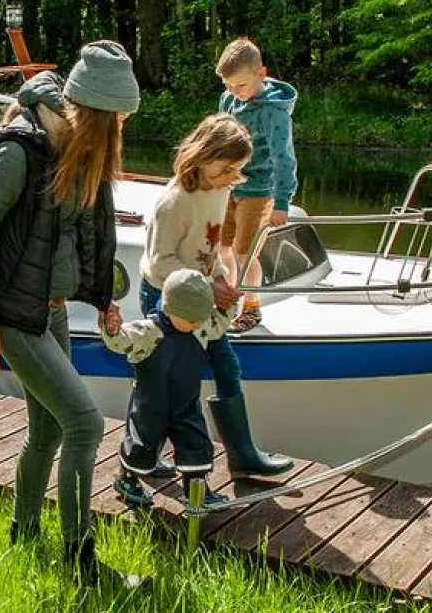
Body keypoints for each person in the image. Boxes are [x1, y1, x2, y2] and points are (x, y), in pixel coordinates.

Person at [0, 40, 139, 587]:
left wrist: (102, 297)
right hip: (14, 314)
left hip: (49, 310)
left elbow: (80, 234)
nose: (118, 136)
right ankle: (80, 561)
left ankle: (24, 533)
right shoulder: (20, 151)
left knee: (48, 433)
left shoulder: (74, 150)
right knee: (84, 423)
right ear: (94, 115)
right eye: (117, 123)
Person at [135, 113, 295, 478]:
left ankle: (243, 454)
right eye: (225, 169)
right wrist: (209, 287)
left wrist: (223, 281)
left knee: (227, 365)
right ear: (202, 153)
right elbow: (161, 265)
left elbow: (208, 247)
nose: (231, 178)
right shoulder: (174, 202)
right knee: (162, 381)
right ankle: (143, 456)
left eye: (236, 170)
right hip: (166, 299)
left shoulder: (219, 189)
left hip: (202, 295)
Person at [104, 268, 232, 508]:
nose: (197, 324)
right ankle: (128, 479)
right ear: (170, 308)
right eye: (192, 319)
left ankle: (196, 487)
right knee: (143, 440)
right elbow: (121, 342)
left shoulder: (200, 327)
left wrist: (227, 306)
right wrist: (112, 330)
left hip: (186, 400)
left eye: (201, 318)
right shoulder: (149, 331)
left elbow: (219, 324)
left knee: (196, 440)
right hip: (151, 402)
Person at [215, 37, 299, 333]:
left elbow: (283, 159)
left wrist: (281, 202)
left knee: (244, 253)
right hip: (227, 186)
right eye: (228, 86)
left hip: (258, 190)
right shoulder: (229, 99)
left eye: (241, 86)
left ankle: (252, 307)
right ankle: (226, 298)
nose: (235, 93)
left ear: (260, 75)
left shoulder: (273, 112)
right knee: (220, 247)